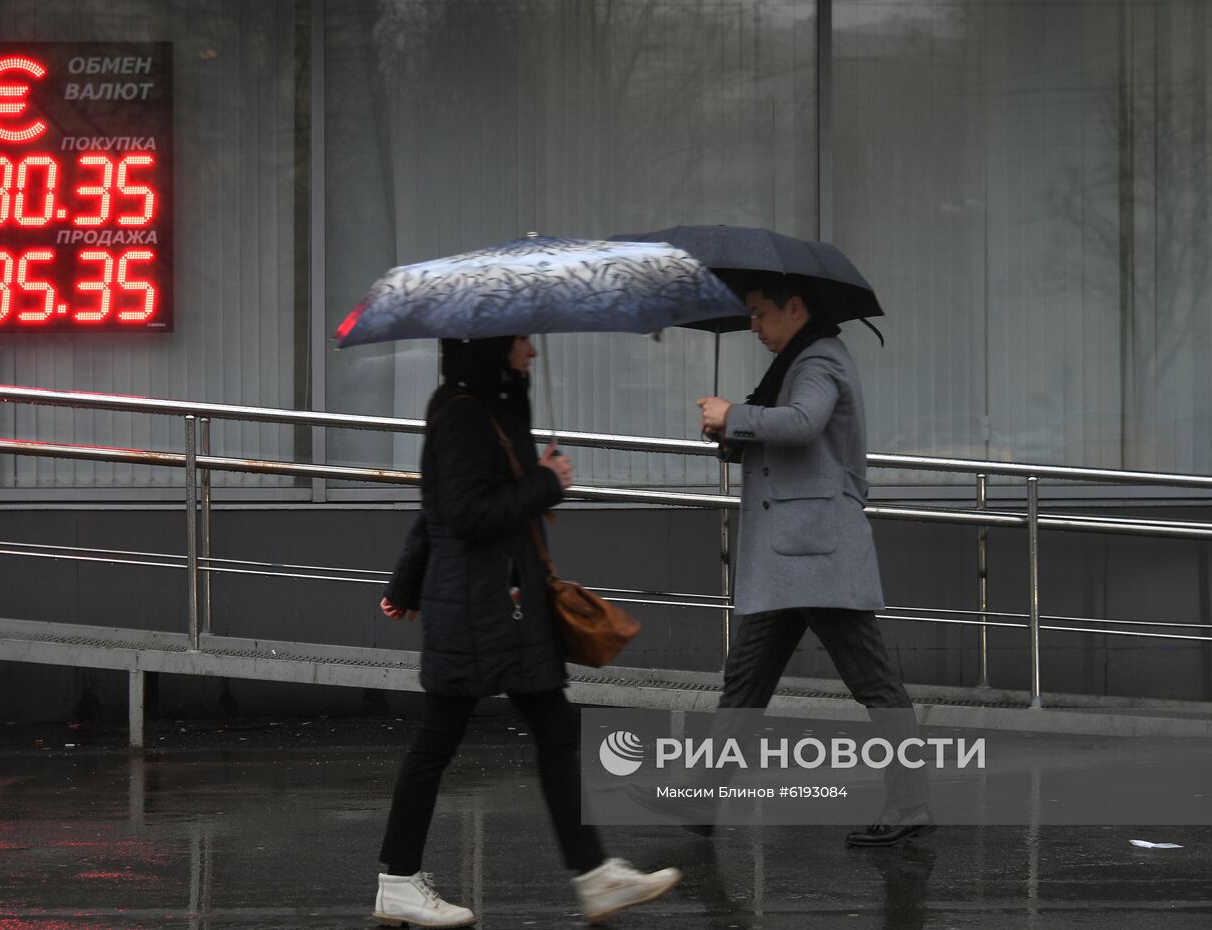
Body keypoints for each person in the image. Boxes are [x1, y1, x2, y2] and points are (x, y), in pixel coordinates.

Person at [373, 334, 681, 928]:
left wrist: (406, 585)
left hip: (499, 601)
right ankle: (398, 881)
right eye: (521, 342)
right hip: (479, 606)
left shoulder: (486, 405)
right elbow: (461, 513)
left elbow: (434, 508)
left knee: (556, 726)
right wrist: (545, 481)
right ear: (492, 347)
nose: (532, 353)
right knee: (440, 740)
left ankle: (594, 877)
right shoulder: (464, 414)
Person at [694, 271, 933, 847]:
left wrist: (734, 415)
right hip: (793, 554)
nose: (752, 325)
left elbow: (804, 423)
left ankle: (911, 804)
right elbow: (789, 436)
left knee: (872, 682)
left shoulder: (819, 358)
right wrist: (735, 433)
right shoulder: (799, 359)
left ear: (794, 307)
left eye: (760, 314)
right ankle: (698, 799)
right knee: (745, 682)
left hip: (816, 552)